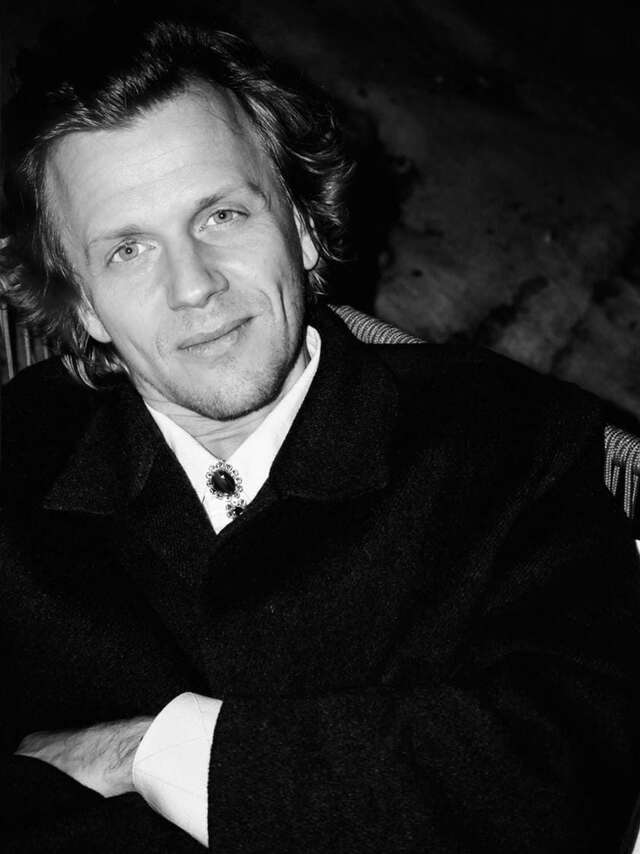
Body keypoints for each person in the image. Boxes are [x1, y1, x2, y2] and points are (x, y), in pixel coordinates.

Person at [1, 10, 639, 853]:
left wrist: (147, 752)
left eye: (221, 215)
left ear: (301, 224)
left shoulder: (517, 443)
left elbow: (567, 782)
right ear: (82, 303)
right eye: (128, 250)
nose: (193, 286)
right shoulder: (15, 458)